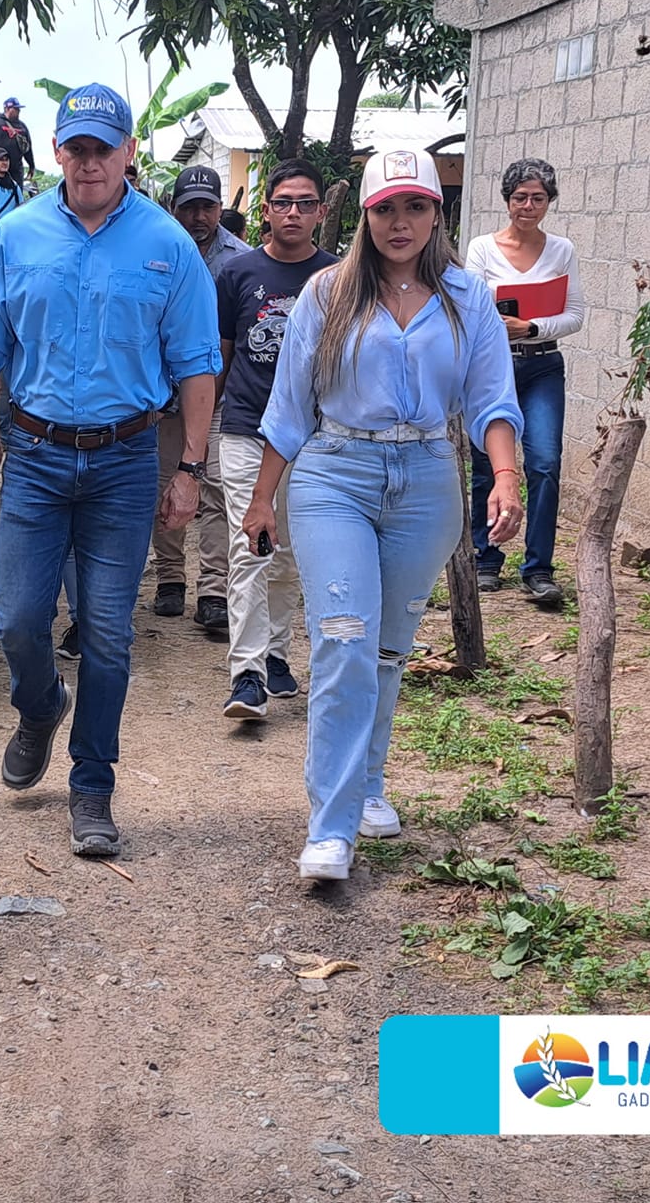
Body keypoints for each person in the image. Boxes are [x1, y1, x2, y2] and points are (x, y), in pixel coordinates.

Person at [0, 84, 220, 857]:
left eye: (105, 148)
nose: (90, 162)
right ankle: (40, 706)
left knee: (108, 631)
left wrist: (190, 467)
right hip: (36, 458)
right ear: (57, 152)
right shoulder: (15, 236)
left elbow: (197, 363)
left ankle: (92, 784)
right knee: (17, 620)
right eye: (77, 148)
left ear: (129, 152)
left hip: (125, 462)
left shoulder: (168, 245)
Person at [243, 149, 523, 882]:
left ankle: (368, 784)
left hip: (427, 478)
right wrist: (262, 497)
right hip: (336, 472)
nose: (401, 223)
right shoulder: (326, 293)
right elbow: (289, 408)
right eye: (386, 209)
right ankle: (330, 828)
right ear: (365, 216)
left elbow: (492, 399)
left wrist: (504, 477)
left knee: (388, 650)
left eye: (416, 207)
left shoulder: (468, 298)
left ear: (437, 213)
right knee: (343, 640)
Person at [212, 158, 336, 719]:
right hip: (245, 429)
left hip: (312, 437)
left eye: (305, 203)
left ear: (321, 212)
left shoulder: (336, 277)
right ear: (265, 210)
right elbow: (224, 356)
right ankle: (247, 674)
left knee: (288, 554)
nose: (293, 213)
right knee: (250, 547)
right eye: (283, 202)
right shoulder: (238, 274)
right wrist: (201, 432)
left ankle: (278, 653)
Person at [463, 158, 584, 609]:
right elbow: (470, 308)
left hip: (542, 364)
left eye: (537, 198)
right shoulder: (482, 248)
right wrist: (500, 328)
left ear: (549, 202)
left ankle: (538, 568)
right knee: (486, 465)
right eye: (519, 198)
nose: (528, 206)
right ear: (506, 200)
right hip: (493, 365)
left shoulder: (562, 250)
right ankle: (486, 556)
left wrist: (531, 327)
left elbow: (575, 315)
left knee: (544, 463)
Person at [153, 164, 250, 634]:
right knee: (163, 483)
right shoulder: (156, 250)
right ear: (174, 208)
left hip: (220, 394)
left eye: (207, 207)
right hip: (165, 396)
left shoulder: (241, 261)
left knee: (214, 489)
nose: (198, 217)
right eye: (189, 207)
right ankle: (169, 577)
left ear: (219, 208)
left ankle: (213, 589)